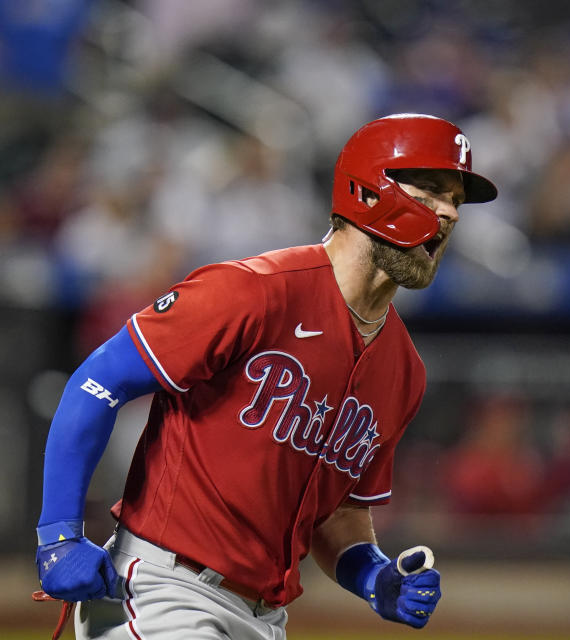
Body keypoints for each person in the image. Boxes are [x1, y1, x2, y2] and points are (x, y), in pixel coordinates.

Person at [34, 113, 498, 639]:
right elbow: (98, 381)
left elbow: (338, 512)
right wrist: (58, 535)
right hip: (164, 591)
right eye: (432, 190)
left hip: (264, 620)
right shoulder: (253, 292)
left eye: (456, 200)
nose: (449, 213)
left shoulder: (404, 371)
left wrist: (373, 575)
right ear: (369, 191)